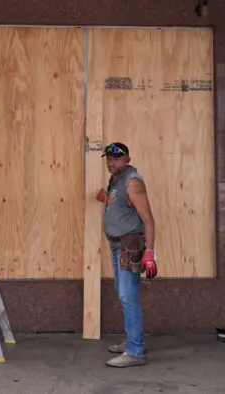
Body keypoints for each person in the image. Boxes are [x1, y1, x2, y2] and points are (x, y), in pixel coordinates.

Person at [95, 142, 158, 368]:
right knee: (123, 295)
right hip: (116, 245)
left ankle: (135, 352)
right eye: (108, 159)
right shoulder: (116, 180)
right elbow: (122, 205)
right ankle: (133, 341)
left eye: (117, 159)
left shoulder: (133, 182)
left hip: (128, 246)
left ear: (127, 160)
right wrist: (105, 198)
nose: (111, 162)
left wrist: (149, 254)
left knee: (128, 296)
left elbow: (148, 220)